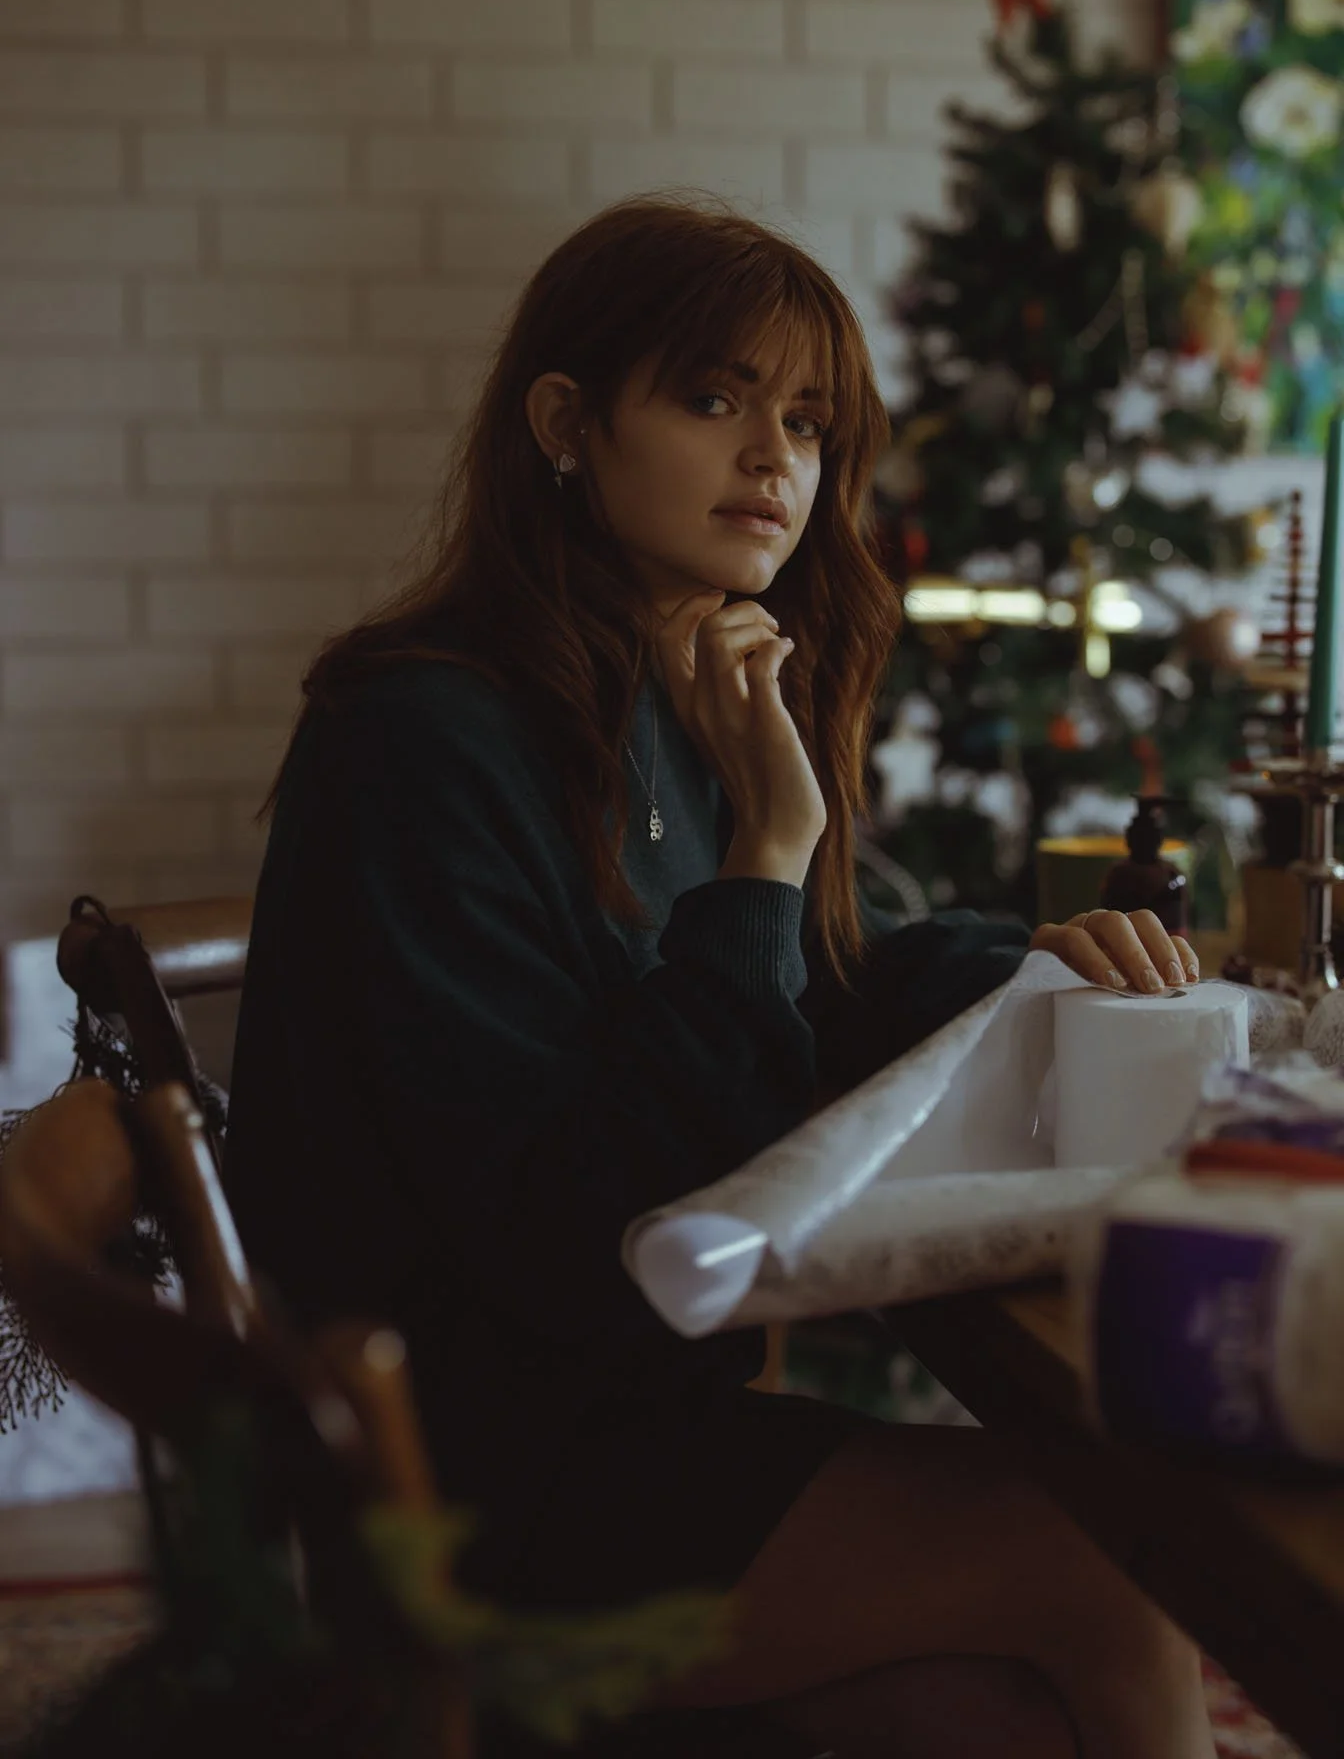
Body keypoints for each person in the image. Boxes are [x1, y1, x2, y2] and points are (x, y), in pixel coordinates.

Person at [223, 195, 1211, 1757]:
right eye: (713, 398)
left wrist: (1038, 965)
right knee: (1122, 1568)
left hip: (611, 1417)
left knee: (1019, 1706)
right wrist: (769, 841)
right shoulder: (420, 737)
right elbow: (566, 1238)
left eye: (808, 422)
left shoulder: (671, 692)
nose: (775, 460)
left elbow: (828, 974)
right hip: (473, 1492)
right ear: (565, 423)